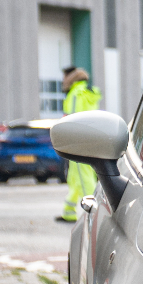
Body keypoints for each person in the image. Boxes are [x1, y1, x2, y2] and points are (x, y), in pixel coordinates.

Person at [58, 66, 102, 222]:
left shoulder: (76, 93)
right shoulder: (85, 92)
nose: (63, 81)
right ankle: (68, 212)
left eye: (64, 77)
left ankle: (95, 212)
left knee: (83, 178)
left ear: (71, 78)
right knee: (75, 178)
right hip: (85, 139)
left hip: (77, 141)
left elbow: (73, 119)